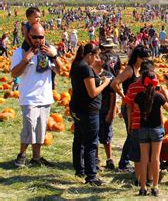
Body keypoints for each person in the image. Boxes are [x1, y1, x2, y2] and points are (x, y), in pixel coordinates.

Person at [11, 23, 62, 167]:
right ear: (29, 36)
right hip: (28, 97)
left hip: (45, 96)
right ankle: (21, 155)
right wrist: (26, 59)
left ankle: (36, 157)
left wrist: (54, 56)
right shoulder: (20, 52)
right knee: (29, 127)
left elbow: (61, 70)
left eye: (41, 37)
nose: (38, 40)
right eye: (35, 37)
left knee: (41, 129)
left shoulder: (49, 50)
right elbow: (14, 73)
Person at [70, 43, 112, 186]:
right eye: (96, 56)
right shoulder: (85, 68)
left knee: (79, 139)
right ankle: (91, 176)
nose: (97, 59)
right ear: (89, 55)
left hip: (77, 108)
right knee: (91, 143)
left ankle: (79, 168)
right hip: (88, 110)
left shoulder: (76, 65)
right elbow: (92, 92)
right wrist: (105, 83)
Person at [134, 70, 168, 196]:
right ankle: (155, 187)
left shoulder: (139, 96)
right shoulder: (158, 96)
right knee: (155, 158)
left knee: (144, 158)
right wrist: (165, 93)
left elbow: (136, 108)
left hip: (143, 129)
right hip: (156, 129)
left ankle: (143, 187)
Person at [124, 60, 155, 187]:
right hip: (152, 124)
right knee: (150, 154)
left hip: (136, 124)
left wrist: (130, 125)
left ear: (140, 72)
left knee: (138, 154)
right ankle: (149, 179)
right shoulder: (154, 87)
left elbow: (129, 107)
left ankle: (138, 179)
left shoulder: (132, 87)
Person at [92, 52, 116, 170]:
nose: (94, 58)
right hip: (93, 110)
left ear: (102, 62)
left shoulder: (109, 76)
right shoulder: (90, 74)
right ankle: (96, 159)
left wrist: (111, 111)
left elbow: (112, 95)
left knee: (106, 135)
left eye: (97, 58)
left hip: (105, 109)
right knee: (94, 135)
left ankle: (109, 158)